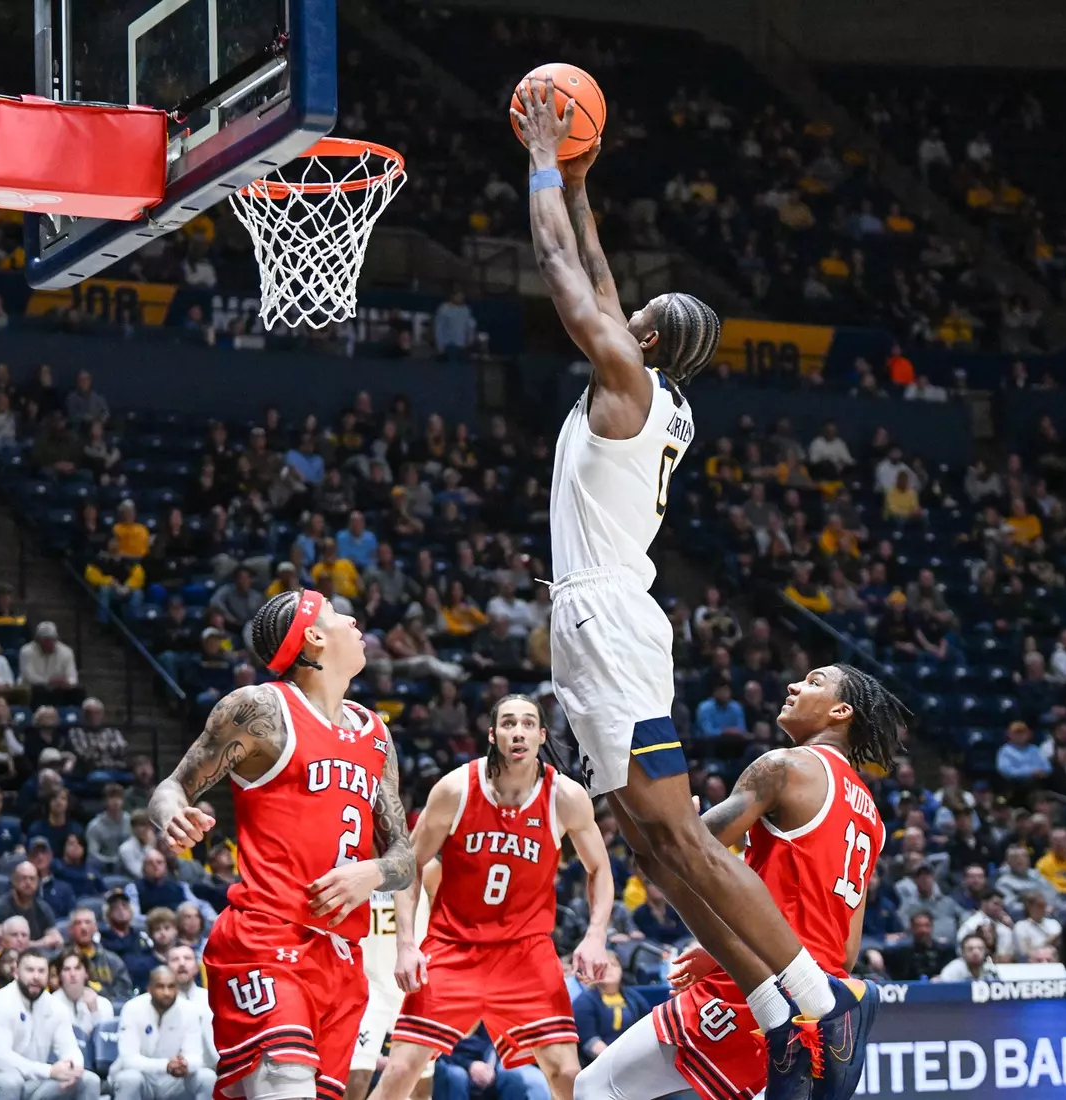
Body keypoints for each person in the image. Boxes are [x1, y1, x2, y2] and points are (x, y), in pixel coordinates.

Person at [512, 78, 852, 1098]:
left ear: (648, 342)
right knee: (656, 848)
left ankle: (823, 1006)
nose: (626, 309)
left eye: (640, 315)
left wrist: (539, 159)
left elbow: (566, 273)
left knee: (687, 839)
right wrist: (581, 181)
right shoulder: (648, 388)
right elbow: (603, 274)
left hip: (609, 617)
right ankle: (768, 1010)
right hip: (596, 618)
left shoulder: (623, 378)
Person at [574, 664, 905, 1100]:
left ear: (841, 711)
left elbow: (686, 855)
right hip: (820, 994)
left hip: (756, 982)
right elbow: (844, 947)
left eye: (814, 682)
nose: (794, 685)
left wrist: (679, 821)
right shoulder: (871, 818)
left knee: (596, 1088)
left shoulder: (784, 767)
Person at [147, 590, 416, 1100]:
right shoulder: (260, 709)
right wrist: (172, 816)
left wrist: (372, 874)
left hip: (340, 958)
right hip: (268, 939)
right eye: (338, 615)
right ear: (313, 635)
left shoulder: (375, 733)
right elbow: (172, 786)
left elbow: (403, 856)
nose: (355, 619)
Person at [373, 696, 614, 1100]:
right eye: (507, 723)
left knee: (567, 1073)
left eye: (526, 723)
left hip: (525, 953)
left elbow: (600, 869)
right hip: (453, 948)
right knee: (400, 1069)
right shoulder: (455, 789)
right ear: (492, 734)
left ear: (540, 735)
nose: (517, 731)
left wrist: (595, 936)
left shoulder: (565, 796)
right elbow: (407, 866)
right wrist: (406, 944)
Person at [347, 862, 438, 1100]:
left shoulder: (425, 868)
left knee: (420, 1083)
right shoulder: (355, 866)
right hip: (369, 987)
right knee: (356, 1080)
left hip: (412, 985)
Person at [0, 952, 99, 1100]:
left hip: (35, 1079)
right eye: (30, 970)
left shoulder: (55, 1006)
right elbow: (0, 1059)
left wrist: (73, 1068)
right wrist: (49, 1071)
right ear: (16, 972)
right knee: (12, 1082)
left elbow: (70, 1047)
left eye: (41, 971)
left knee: (90, 1080)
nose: (36, 977)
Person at [111, 967, 214, 1100]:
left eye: (171, 987)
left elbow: (196, 1056)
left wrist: (185, 1064)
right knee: (129, 1078)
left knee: (207, 1077)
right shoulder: (132, 1008)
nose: (167, 992)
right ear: (149, 988)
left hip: (175, 1080)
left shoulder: (190, 1010)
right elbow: (128, 1059)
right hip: (144, 1078)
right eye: (160, 987)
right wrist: (165, 1066)